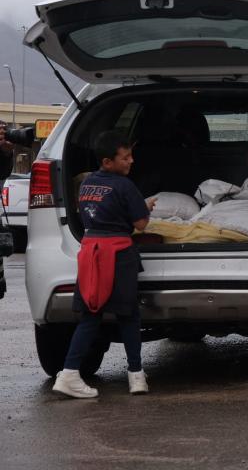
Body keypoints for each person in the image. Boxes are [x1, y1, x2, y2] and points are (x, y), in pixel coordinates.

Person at [52, 130, 156, 399]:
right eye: (125, 157)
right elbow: (141, 224)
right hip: (119, 255)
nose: (131, 161)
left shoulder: (87, 184)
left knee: (90, 316)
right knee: (129, 316)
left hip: (91, 253)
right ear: (108, 161)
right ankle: (136, 376)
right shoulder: (125, 186)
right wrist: (146, 208)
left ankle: (70, 373)